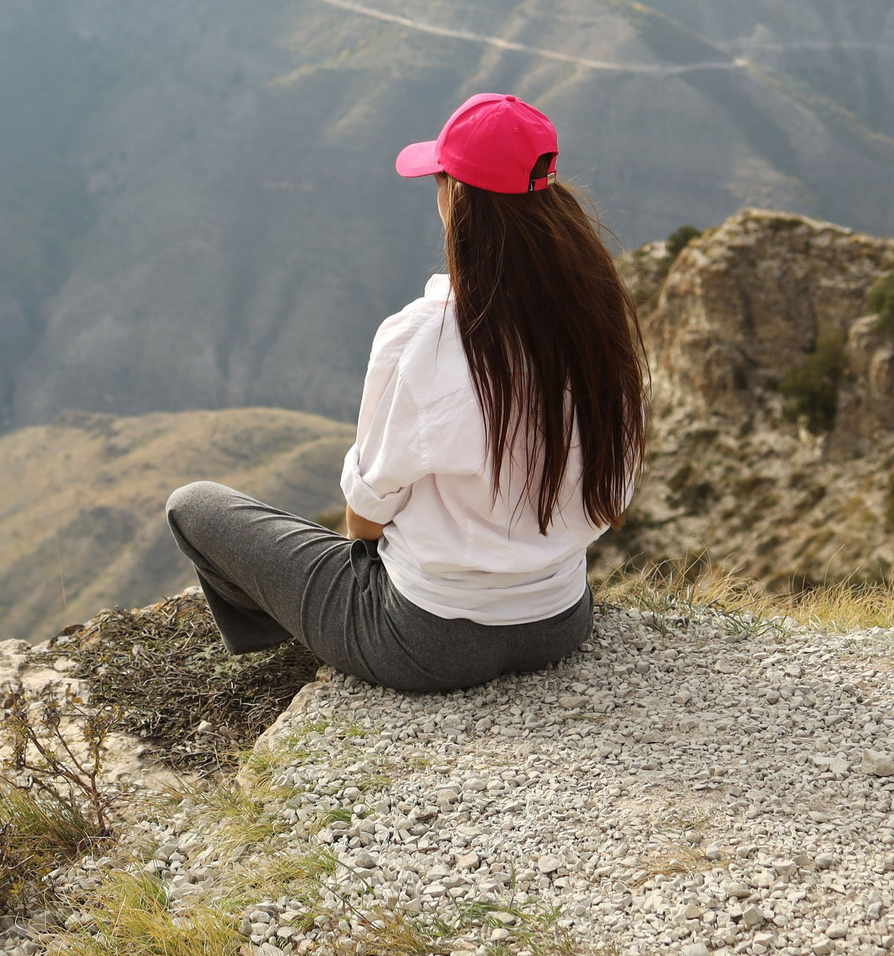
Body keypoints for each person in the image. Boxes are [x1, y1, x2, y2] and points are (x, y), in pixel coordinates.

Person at [165, 92, 647, 693]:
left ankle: (295, 650)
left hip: (429, 642)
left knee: (193, 505)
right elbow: (615, 495)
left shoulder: (424, 336)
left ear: (458, 197)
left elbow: (366, 517)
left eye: (439, 182)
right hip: (560, 620)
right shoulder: (599, 324)